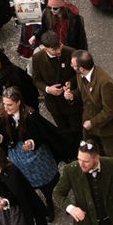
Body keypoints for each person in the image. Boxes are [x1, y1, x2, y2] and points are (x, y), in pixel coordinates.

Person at [0, 86, 70, 221]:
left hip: (37, 156)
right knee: (26, 183)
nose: (6, 108)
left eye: (9, 105)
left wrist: (32, 143)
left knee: (46, 182)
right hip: (17, 157)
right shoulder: (2, 117)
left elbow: (43, 134)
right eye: (4, 104)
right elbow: (2, 136)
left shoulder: (31, 116)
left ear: (18, 102)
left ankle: (50, 202)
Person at [66, 50, 113, 171]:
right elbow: (82, 92)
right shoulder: (80, 75)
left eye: (73, 65)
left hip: (108, 126)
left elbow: (110, 109)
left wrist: (92, 122)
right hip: (90, 123)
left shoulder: (105, 82)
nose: (71, 66)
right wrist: (72, 95)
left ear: (81, 68)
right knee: (96, 149)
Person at [31, 32, 82, 160]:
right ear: (45, 48)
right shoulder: (37, 58)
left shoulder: (71, 52)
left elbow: (79, 73)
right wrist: (48, 89)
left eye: (59, 46)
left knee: (77, 129)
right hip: (54, 103)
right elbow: (36, 80)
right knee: (63, 130)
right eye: (54, 49)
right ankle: (71, 154)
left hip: (71, 100)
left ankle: (81, 151)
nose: (59, 51)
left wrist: (70, 83)